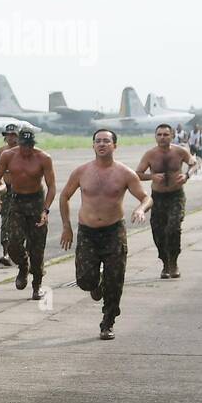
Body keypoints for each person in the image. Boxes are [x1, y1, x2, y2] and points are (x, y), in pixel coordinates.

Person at [59, 129, 151, 340]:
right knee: (85, 281)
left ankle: (107, 322)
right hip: (87, 233)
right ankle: (95, 284)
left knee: (115, 281)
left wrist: (140, 209)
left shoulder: (125, 173)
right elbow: (64, 196)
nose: (102, 144)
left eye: (106, 141)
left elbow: (146, 197)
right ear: (93, 146)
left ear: (114, 146)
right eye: (98, 141)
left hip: (113, 232)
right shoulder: (81, 172)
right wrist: (67, 226)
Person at [0, 127, 56, 300]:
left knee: (37, 248)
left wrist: (45, 210)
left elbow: (52, 187)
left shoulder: (43, 158)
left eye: (30, 145)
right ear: (18, 143)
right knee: (13, 243)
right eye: (24, 145)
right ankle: (23, 266)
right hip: (17, 201)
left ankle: (37, 285)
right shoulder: (8, 156)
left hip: (36, 202)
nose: (27, 149)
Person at [135, 123, 196, 278]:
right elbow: (138, 173)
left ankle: (174, 263)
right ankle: (165, 263)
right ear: (155, 136)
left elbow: (194, 164)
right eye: (159, 135)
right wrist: (151, 177)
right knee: (158, 232)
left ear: (172, 136)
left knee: (173, 228)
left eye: (166, 134)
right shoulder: (150, 155)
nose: (162, 137)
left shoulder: (180, 151)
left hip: (176, 196)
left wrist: (187, 175)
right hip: (158, 197)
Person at [0, 122, 22, 267]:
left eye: (14, 135)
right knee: (5, 222)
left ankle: (21, 251)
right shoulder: (2, 151)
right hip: (7, 190)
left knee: (22, 222)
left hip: (23, 191)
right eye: (8, 135)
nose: (11, 138)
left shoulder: (24, 151)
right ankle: (6, 253)